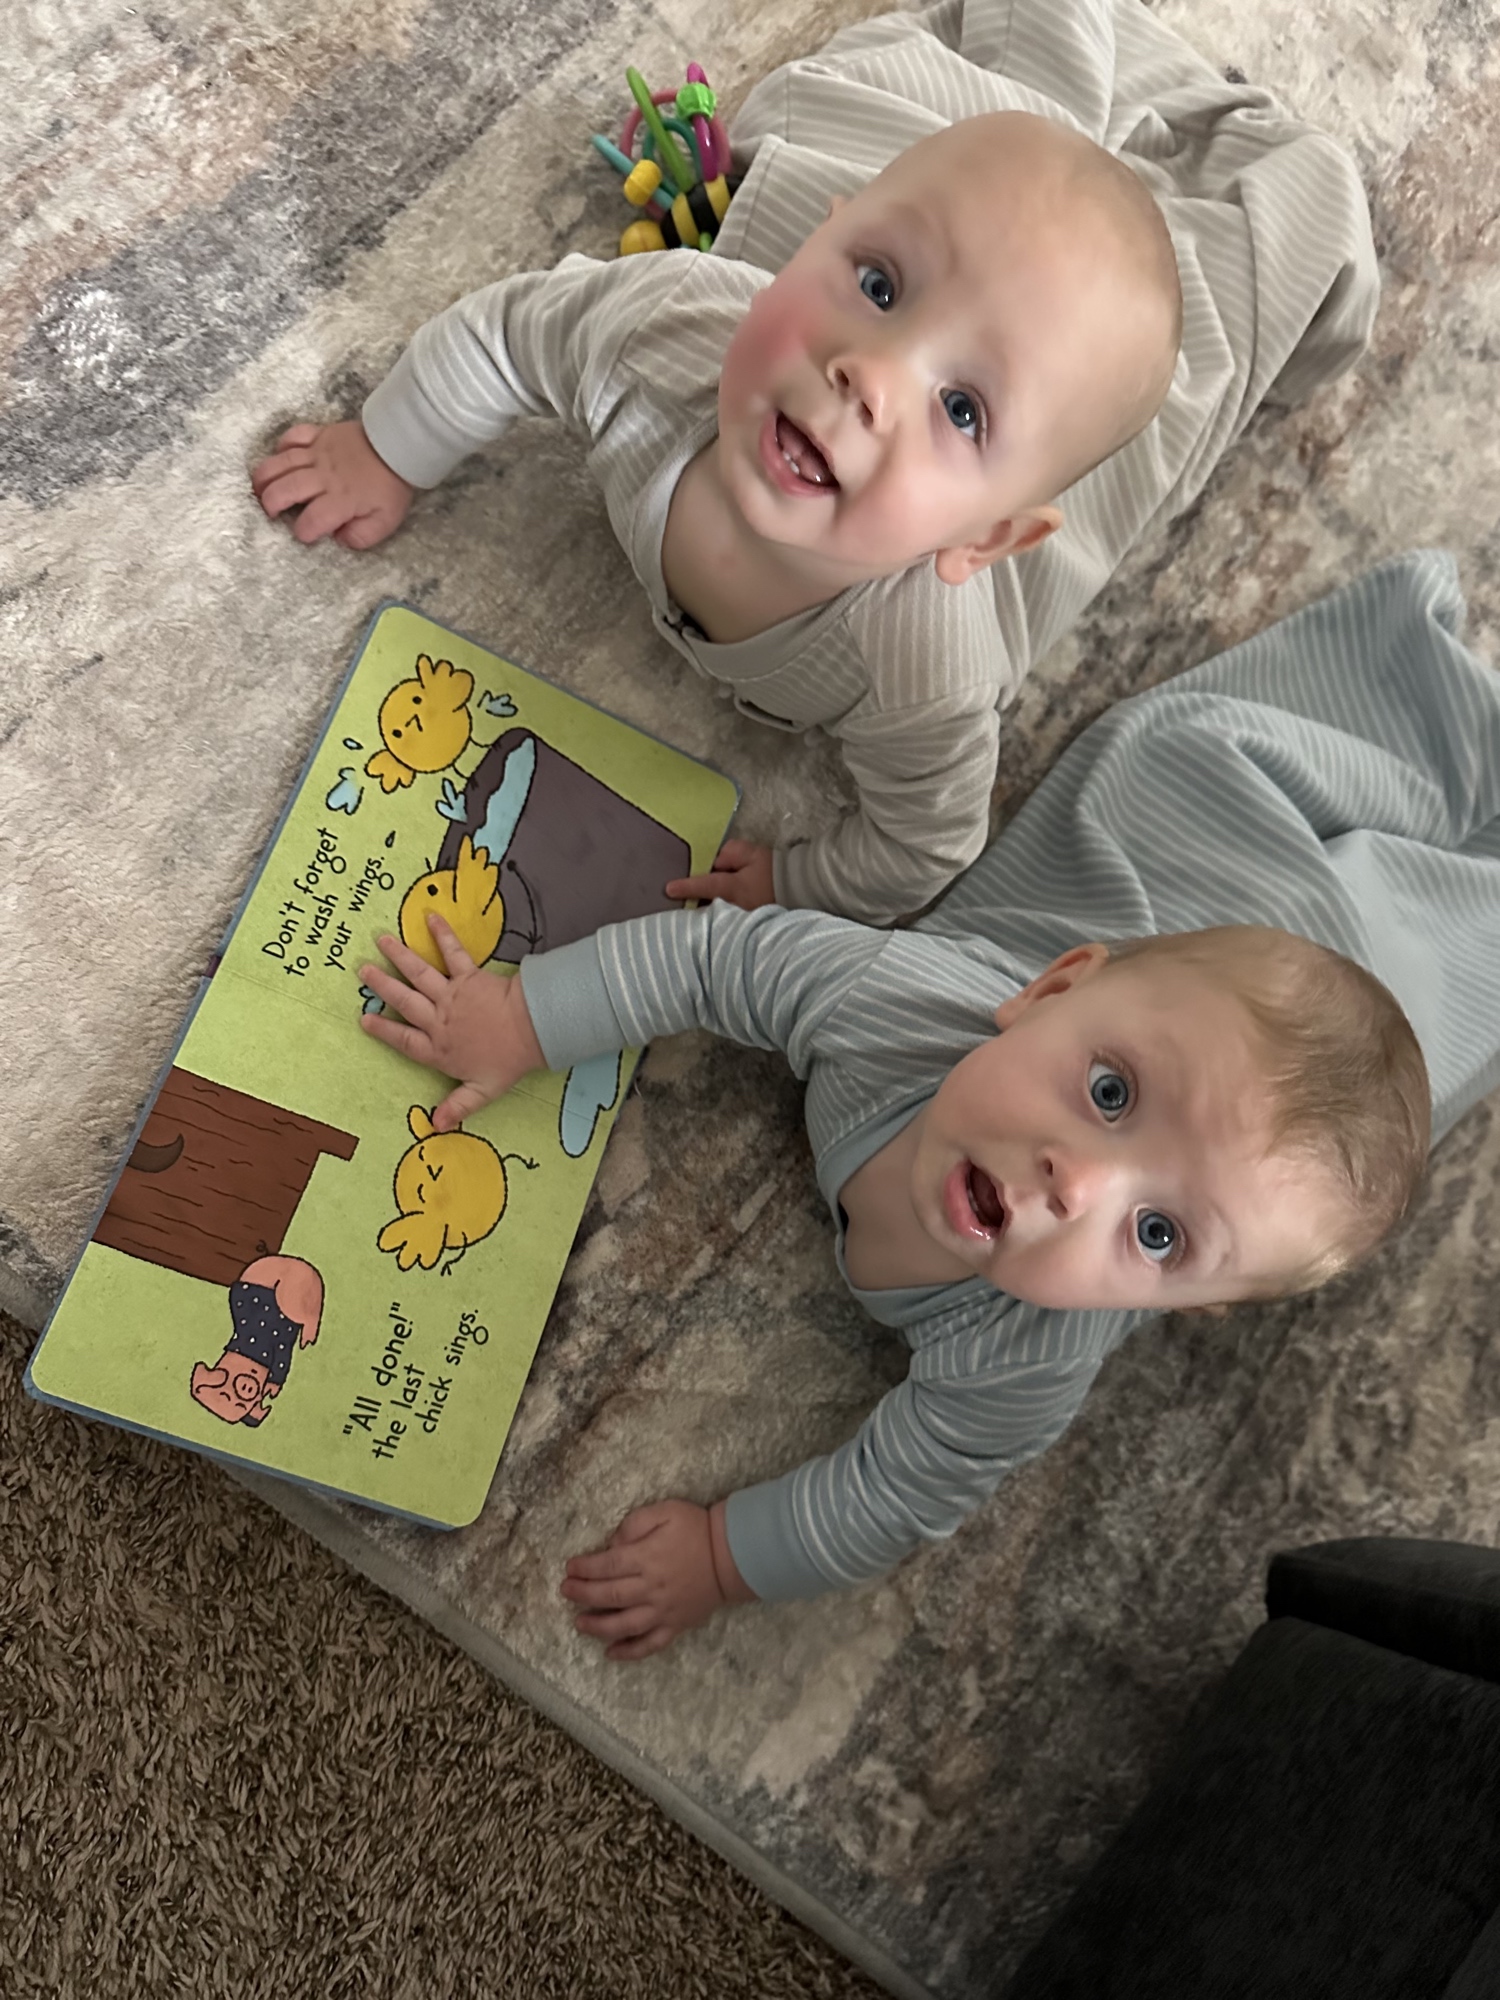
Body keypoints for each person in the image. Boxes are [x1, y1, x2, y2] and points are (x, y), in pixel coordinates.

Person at [357, 549, 1500, 1659]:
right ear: (1050, 990)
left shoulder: (1026, 1360)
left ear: (1188, 1303)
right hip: (1200, 860)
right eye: (1109, 1092)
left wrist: (724, 1555)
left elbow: (902, 1489)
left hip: (1314, 1010)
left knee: (1434, 996)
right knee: (1207, 768)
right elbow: (716, 959)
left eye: (1159, 1233)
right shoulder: (898, 1001)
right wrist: (525, 1019)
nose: (1075, 1183)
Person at [251, 0, 1377, 925]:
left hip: (1093, 444)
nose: (869, 375)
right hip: (900, 176)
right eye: (875, 285)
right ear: (819, 244)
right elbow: (509, 335)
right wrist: (386, 449)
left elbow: (925, 843)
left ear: (985, 537)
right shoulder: (668, 326)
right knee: (985, 146)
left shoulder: (923, 672)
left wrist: (801, 882)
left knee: (1220, 311)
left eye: (961, 409)